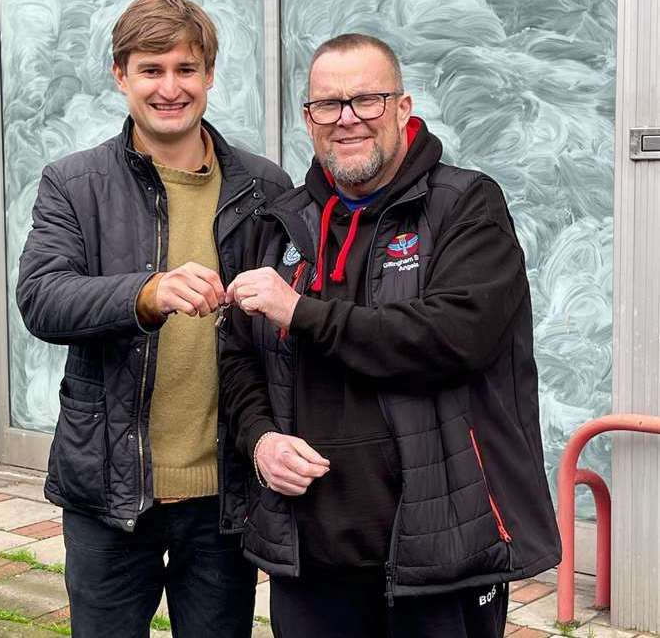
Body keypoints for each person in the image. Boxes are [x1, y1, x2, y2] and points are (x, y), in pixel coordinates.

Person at [220, 33, 561, 638]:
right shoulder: (280, 224)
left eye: (367, 100)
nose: (347, 119)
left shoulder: (465, 206)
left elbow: (455, 336)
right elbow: (238, 359)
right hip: (310, 558)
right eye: (328, 104)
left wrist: (301, 311)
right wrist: (260, 440)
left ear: (403, 108)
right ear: (308, 119)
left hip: (441, 555)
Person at [16, 0, 292, 638]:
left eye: (186, 69)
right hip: (110, 495)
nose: (171, 87)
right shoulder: (73, 183)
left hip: (223, 495)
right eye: (151, 69)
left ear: (210, 75)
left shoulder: (263, 185)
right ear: (121, 75)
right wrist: (146, 292)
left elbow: (287, 328)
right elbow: (41, 297)